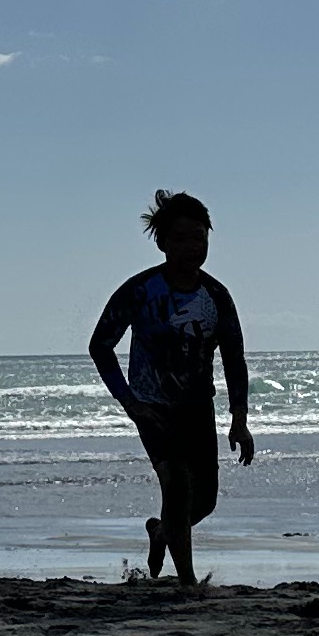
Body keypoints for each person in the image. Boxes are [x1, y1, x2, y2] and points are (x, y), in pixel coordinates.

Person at [90, 189, 253, 584]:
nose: (191, 247)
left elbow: (234, 359)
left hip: (197, 408)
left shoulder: (216, 296)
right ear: (162, 242)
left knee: (205, 501)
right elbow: (100, 346)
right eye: (180, 238)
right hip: (154, 409)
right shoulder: (142, 290)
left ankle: (161, 531)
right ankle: (187, 584)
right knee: (177, 488)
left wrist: (240, 420)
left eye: (199, 237)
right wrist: (131, 404)